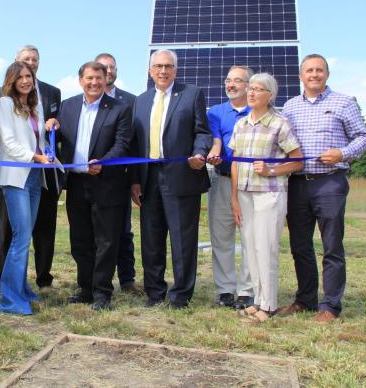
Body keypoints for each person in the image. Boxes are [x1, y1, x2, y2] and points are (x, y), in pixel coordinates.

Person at [280, 54, 366, 322]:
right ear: (300, 76)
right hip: (297, 184)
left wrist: (342, 153)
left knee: (331, 245)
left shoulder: (344, 103)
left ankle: (330, 305)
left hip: (329, 182)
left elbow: (364, 137)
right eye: (309, 70)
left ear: (327, 75)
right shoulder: (290, 106)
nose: (314, 74)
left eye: (319, 70)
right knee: (300, 245)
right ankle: (305, 300)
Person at [131, 49, 212, 309]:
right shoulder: (140, 101)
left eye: (168, 66)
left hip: (181, 175)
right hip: (148, 178)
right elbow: (135, 144)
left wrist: (199, 153)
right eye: (158, 66)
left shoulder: (191, 95)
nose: (163, 71)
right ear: (150, 70)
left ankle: (180, 296)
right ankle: (155, 293)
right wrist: (134, 180)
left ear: (176, 70)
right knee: (151, 239)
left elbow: (202, 132)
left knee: (182, 240)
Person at [56, 61, 131, 311]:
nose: (94, 83)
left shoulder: (120, 109)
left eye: (99, 78)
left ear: (105, 79)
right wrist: (50, 126)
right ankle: (85, 288)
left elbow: (122, 144)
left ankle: (102, 293)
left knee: (106, 241)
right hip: (76, 183)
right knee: (80, 240)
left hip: (106, 184)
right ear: (81, 80)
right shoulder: (67, 107)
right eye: (89, 78)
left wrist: (104, 163)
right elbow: (58, 141)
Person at [229, 73, 303, 323]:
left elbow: (297, 160)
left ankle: (269, 305)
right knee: (251, 248)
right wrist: (234, 198)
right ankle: (258, 300)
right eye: (250, 88)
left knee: (266, 248)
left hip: (269, 195)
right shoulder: (241, 124)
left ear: (270, 95)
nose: (251, 92)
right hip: (245, 194)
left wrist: (272, 169)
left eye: (258, 89)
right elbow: (235, 163)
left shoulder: (279, 123)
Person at [0, 45, 61, 293]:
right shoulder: (4, 103)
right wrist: (35, 157)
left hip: (35, 178)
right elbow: (8, 143)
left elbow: (39, 140)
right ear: (12, 79)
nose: (25, 80)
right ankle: (10, 294)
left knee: (26, 235)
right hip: (15, 177)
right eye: (20, 76)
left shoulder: (36, 105)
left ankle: (19, 286)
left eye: (28, 76)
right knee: (20, 237)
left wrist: (50, 127)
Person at [206, 66, 254, 310]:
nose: (231, 85)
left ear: (248, 85)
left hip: (251, 183)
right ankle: (225, 289)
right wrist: (213, 154)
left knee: (249, 237)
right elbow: (214, 142)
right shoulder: (214, 113)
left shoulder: (258, 112)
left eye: (237, 81)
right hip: (222, 180)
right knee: (221, 236)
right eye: (228, 80)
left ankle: (247, 291)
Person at [94, 53, 141, 295]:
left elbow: (133, 145)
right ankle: (96, 280)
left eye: (112, 67)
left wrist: (134, 180)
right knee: (96, 233)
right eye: (104, 67)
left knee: (123, 231)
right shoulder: (85, 100)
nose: (108, 71)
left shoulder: (131, 101)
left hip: (119, 178)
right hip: (92, 177)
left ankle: (127, 280)